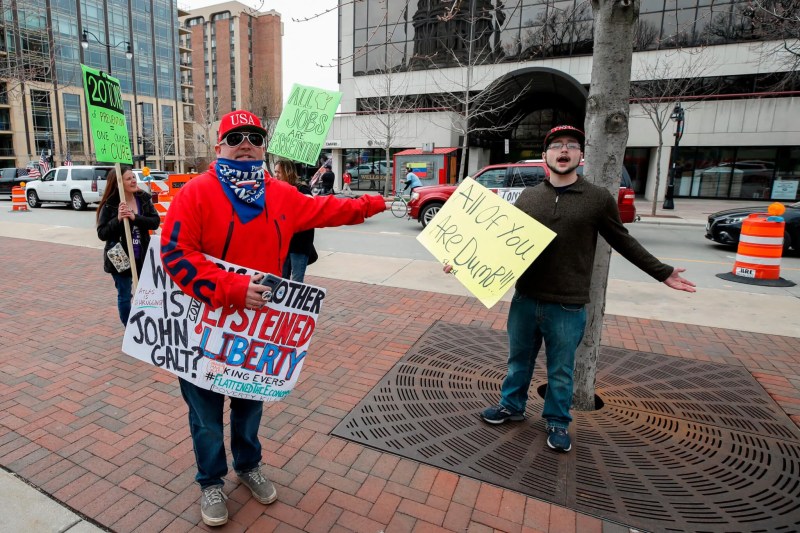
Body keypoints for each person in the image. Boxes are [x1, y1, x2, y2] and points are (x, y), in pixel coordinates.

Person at [160, 109, 385, 527]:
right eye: (235, 136)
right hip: (203, 329)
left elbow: (329, 209)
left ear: (264, 146)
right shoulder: (195, 193)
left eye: (255, 136)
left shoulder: (281, 194)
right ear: (219, 147)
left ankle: (248, 466)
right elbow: (175, 254)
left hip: (257, 333)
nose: (246, 143)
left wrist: (377, 201)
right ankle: (211, 481)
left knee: (249, 408)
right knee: (206, 417)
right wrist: (232, 289)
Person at [474, 125, 696, 453]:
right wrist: (465, 262)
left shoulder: (596, 199)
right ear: (546, 155)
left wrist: (661, 272)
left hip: (567, 305)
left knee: (561, 369)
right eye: (556, 146)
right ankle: (512, 407)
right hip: (525, 298)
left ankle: (558, 422)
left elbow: (623, 240)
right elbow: (501, 244)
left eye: (571, 146)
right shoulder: (529, 197)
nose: (563, 151)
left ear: (580, 155)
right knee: (518, 361)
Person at [96, 166, 160, 326]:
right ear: (118, 182)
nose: (133, 181)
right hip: (119, 256)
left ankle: (146, 326)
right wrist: (118, 219)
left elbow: (155, 221)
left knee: (145, 293)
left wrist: (134, 217)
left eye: (133, 177)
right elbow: (102, 233)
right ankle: (130, 330)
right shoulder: (110, 204)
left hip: (142, 253)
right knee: (125, 295)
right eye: (128, 178)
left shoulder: (143, 198)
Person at [274, 159, 316, 282]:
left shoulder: (302, 189)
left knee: (296, 281)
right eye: (275, 172)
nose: (276, 175)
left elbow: (310, 213)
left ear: (288, 172)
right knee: (282, 278)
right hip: (284, 243)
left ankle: (295, 300)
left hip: (299, 244)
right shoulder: (278, 189)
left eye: (279, 172)